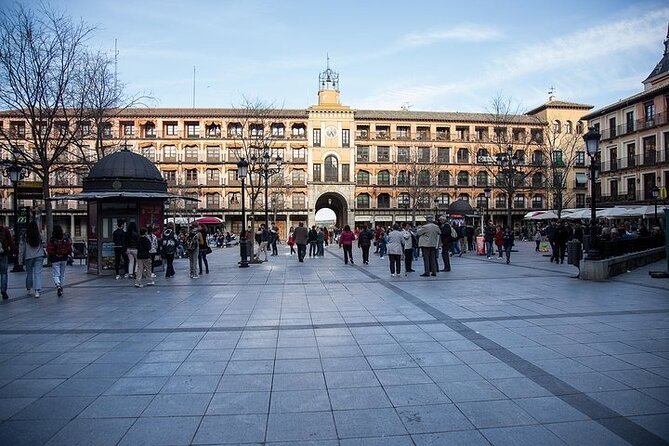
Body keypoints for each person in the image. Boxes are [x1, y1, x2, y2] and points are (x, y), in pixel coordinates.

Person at [21, 221, 45, 298]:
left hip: (29, 256)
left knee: (29, 273)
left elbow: (21, 248)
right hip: (39, 256)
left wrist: (20, 259)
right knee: (37, 273)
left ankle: (29, 288)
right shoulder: (39, 235)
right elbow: (44, 243)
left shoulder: (25, 236)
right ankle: (37, 291)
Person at [46, 225, 72, 297]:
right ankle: (61, 287)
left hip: (55, 259)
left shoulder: (52, 240)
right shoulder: (65, 239)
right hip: (64, 258)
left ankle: (58, 285)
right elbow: (69, 248)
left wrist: (53, 254)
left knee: (56, 274)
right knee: (62, 274)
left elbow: (48, 249)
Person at [0, 223, 15, 300]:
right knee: (4, 273)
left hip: (4, 254)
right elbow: (10, 241)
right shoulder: (5, 230)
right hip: (3, 254)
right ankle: (3, 291)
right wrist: (12, 251)